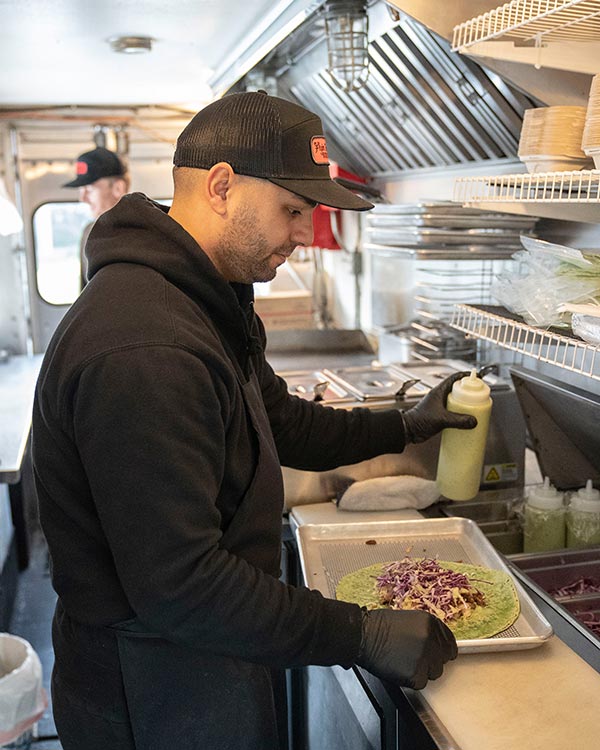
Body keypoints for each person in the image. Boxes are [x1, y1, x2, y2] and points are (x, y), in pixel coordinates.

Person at [32, 91, 477, 750]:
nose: (305, 235)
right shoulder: (145, 347)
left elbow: (279, 421)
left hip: (208, 648)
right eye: (293, 210)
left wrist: (402, 426)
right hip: (152, 685)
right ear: (220, 186)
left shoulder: (206, 298)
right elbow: (181, 587)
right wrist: (361, 633)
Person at [63, 146, 130, 286]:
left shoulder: (143, 233)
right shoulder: (89, 232)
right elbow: (85, 291)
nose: (83, 198)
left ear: (118, 188)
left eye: (89, 188)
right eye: (81, 190)